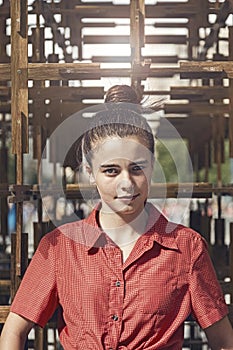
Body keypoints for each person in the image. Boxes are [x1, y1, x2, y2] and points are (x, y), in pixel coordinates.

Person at [1, 86, 233, 350]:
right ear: (89, 172)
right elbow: (14, 331)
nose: (126, 184)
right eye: (111, 171)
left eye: (137, 168)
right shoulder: (58, 248)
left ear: (153, 167)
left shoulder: (187, 247)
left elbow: (223, 341)